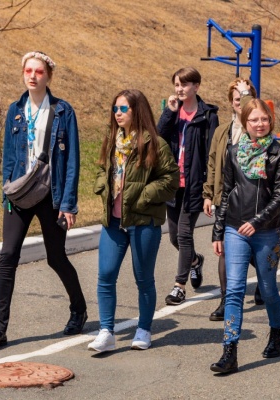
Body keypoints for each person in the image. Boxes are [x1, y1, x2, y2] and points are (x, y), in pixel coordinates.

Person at [0, 51, 87, 352]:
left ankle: (79, 309)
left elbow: (72, 161)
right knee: (7, 257)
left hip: (51, 194)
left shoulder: (63, 111)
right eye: (28, 71)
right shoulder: (15, 110)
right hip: (20, 192)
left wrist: (68, 204)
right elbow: (9, 156)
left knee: (56, 257)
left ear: (48, 76)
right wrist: (6, 192)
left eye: (39, 72)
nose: (32, 76)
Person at [88, 89, 179, 353]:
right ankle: (106, 332)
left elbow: (171, 179)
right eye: (115, 108)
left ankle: (144, 329)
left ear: (136, 111)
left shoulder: (155, 144)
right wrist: (102, 186)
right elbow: (102, 168)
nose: (117, 113)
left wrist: (144, 195)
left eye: (123, 109)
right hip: (113, 222)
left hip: (143, 221)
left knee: (143, 279)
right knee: (106, 275)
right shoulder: (112, 140)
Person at [210, 99, 280, 375]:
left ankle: (276, 332)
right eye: (254, 119)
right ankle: (229, 350)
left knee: (267, 289)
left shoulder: (278, 154)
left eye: (264, 119)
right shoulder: (233, 152)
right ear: (245, 122)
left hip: (267, 231)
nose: (260, 124)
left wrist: (256, 222)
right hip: (235, 229)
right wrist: (218, 231)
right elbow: (226, 192)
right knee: (234, 290)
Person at [158, 66, 219, 305]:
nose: (179, 89)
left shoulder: (208, 116)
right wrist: (168, 112)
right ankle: (195, 261)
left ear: (196, 86)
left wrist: (209, 191)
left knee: (184, 234)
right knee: (174, 238)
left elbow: (213, 154)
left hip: (195, 185)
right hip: (174, 184)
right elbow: (158, 138)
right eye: (176, 84)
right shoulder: (173, 112)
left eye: (184, 84)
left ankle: (179, 286)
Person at [202, 78, 262, 321]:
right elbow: (212, 164)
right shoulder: (221, 132)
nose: (240, 103)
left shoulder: (256, 128)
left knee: (255, 248)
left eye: (243, 98)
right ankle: (226, 300)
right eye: (236, 99)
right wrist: (208, 194)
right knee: (226, 250)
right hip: (226, 199)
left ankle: (265, 280)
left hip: (252, 200)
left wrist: (247, 95)